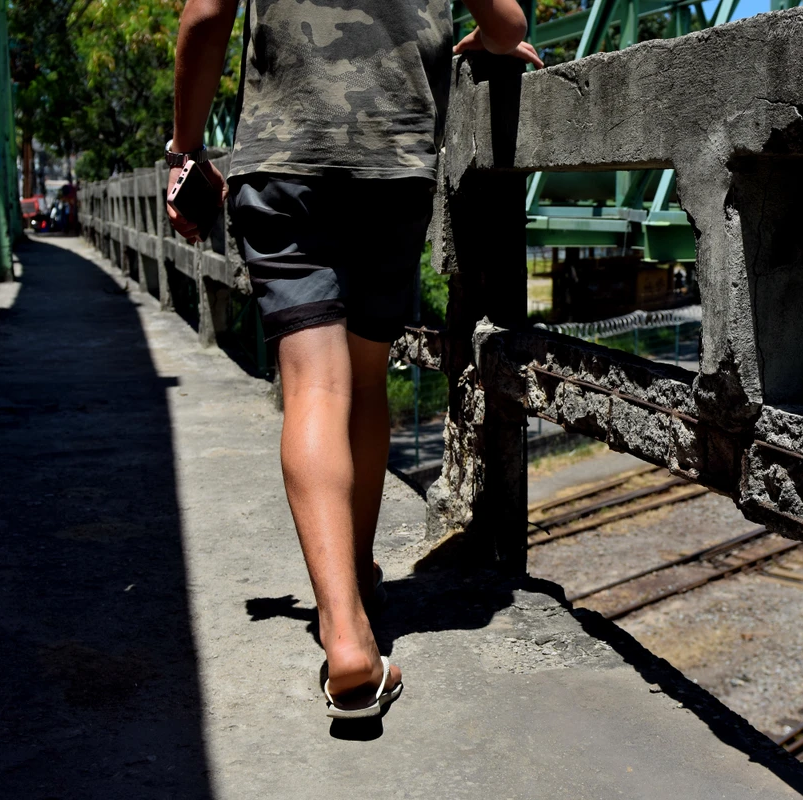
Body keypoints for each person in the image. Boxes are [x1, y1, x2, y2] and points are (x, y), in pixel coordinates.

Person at [166, 0, 542, 719]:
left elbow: (207, 14)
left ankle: (343, 634)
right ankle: (359, 583)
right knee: (365, 383)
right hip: (391, 165)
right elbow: (507, 26)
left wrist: (186, 148)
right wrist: (485, 38)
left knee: (315, 386)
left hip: (285, 162)